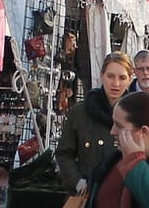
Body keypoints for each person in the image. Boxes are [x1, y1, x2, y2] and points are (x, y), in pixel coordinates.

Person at [57, 53, 133, 193]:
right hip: (85, 193)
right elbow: (64, 153)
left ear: (129, 80)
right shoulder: (80, 112)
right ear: (102, 75)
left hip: (122, 194)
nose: (115, 83)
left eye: (122, 78)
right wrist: (77, 181)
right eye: (110, 76)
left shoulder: (135, 115)